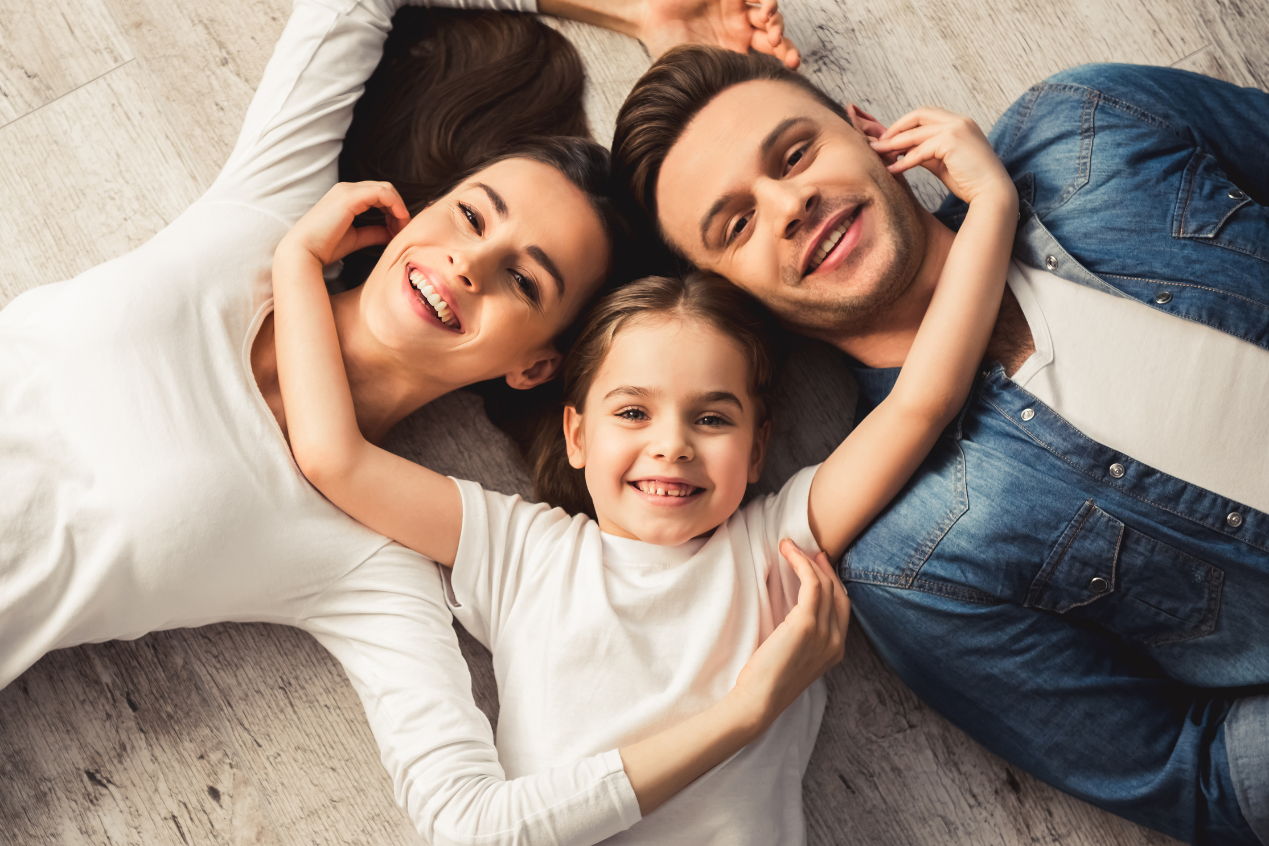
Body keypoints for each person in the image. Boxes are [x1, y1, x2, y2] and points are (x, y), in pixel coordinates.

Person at [0, 1, 800, 842]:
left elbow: (472, 824)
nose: (467, 264)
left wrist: (742, 716)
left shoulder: (364, 558)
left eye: (523, 282)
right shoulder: (265, 213)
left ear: (533, 366)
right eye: (470, 214)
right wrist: (645, 19)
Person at [266, 94, 1017, 841]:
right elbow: (335, 457)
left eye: (713, 417)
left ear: (757, 449)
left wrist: (989, 203)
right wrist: (297, 263)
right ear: (576, 435)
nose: (673, 445)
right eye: (631, 413)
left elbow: (922, 399)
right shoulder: (520, 552)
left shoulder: (775, 549)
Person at [609, 45, 1269, 846]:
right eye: (738, 224)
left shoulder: (1087, 125)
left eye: (795, 153)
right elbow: (1191, 777)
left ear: (867, 132)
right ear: (733, 299)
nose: (790, 203)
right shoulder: (914, 562)